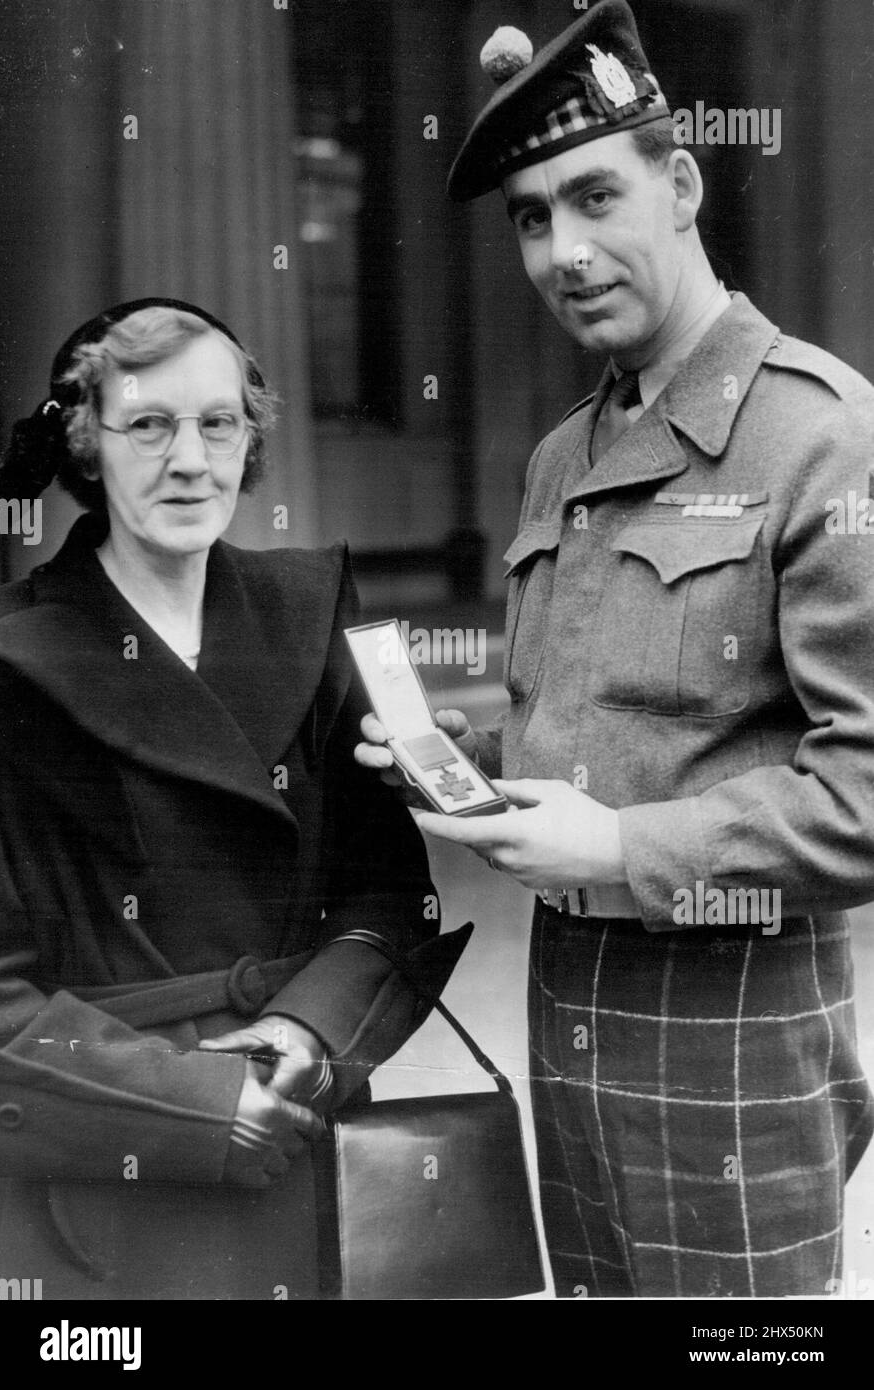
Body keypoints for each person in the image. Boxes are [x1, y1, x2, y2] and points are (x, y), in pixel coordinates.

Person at [357, 1, 874, 1297]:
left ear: (684, 182)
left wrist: (625, 848)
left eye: (594, 195)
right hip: (573, 1016)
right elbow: (601, 715)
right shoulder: (564, 455)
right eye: (533, 216)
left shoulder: (821, 436)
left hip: (735, 1038)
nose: (563, 249)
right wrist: (457, 759)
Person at [0, 297, 463, 1301]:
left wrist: (301, 1035)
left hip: (304, 1123)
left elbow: (389, 897)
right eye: (149, 425)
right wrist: (203, 1103)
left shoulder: (310, 607)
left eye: (217, 423)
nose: (190, 460)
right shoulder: (6, 658)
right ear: (85, 441)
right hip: (114, 1165)